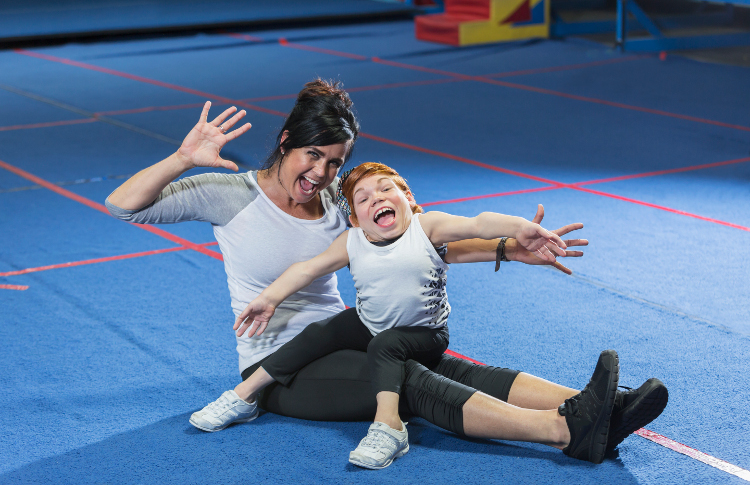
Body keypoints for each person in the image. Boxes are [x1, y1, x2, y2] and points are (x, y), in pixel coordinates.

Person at [106, 79, 667, 467]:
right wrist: (182, 159)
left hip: (355, 335)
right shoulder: (231, 195)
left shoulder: (335, 206)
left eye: (334, 163)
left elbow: (415, 246)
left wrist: (504, 248)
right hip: (282, 369)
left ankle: (600, 406)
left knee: (451, 366)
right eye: (313, 157)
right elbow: (122, 205)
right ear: (286, 143)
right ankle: (566, 430)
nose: (321, 173)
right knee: (413, 382)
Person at [192, 161, 569, 469]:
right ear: (355, 218)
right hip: (369, 324)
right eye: (363, 198)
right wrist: (269, 298)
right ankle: (243, 395)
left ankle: (389, 426)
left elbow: (477, 224)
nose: (377, 199)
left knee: (388, 346)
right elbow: (307, 269)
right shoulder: (353, 240)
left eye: (387, 189)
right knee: (321, 332)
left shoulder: (427, 227)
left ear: (408, 197)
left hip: (423, 335)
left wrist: (520, 228)